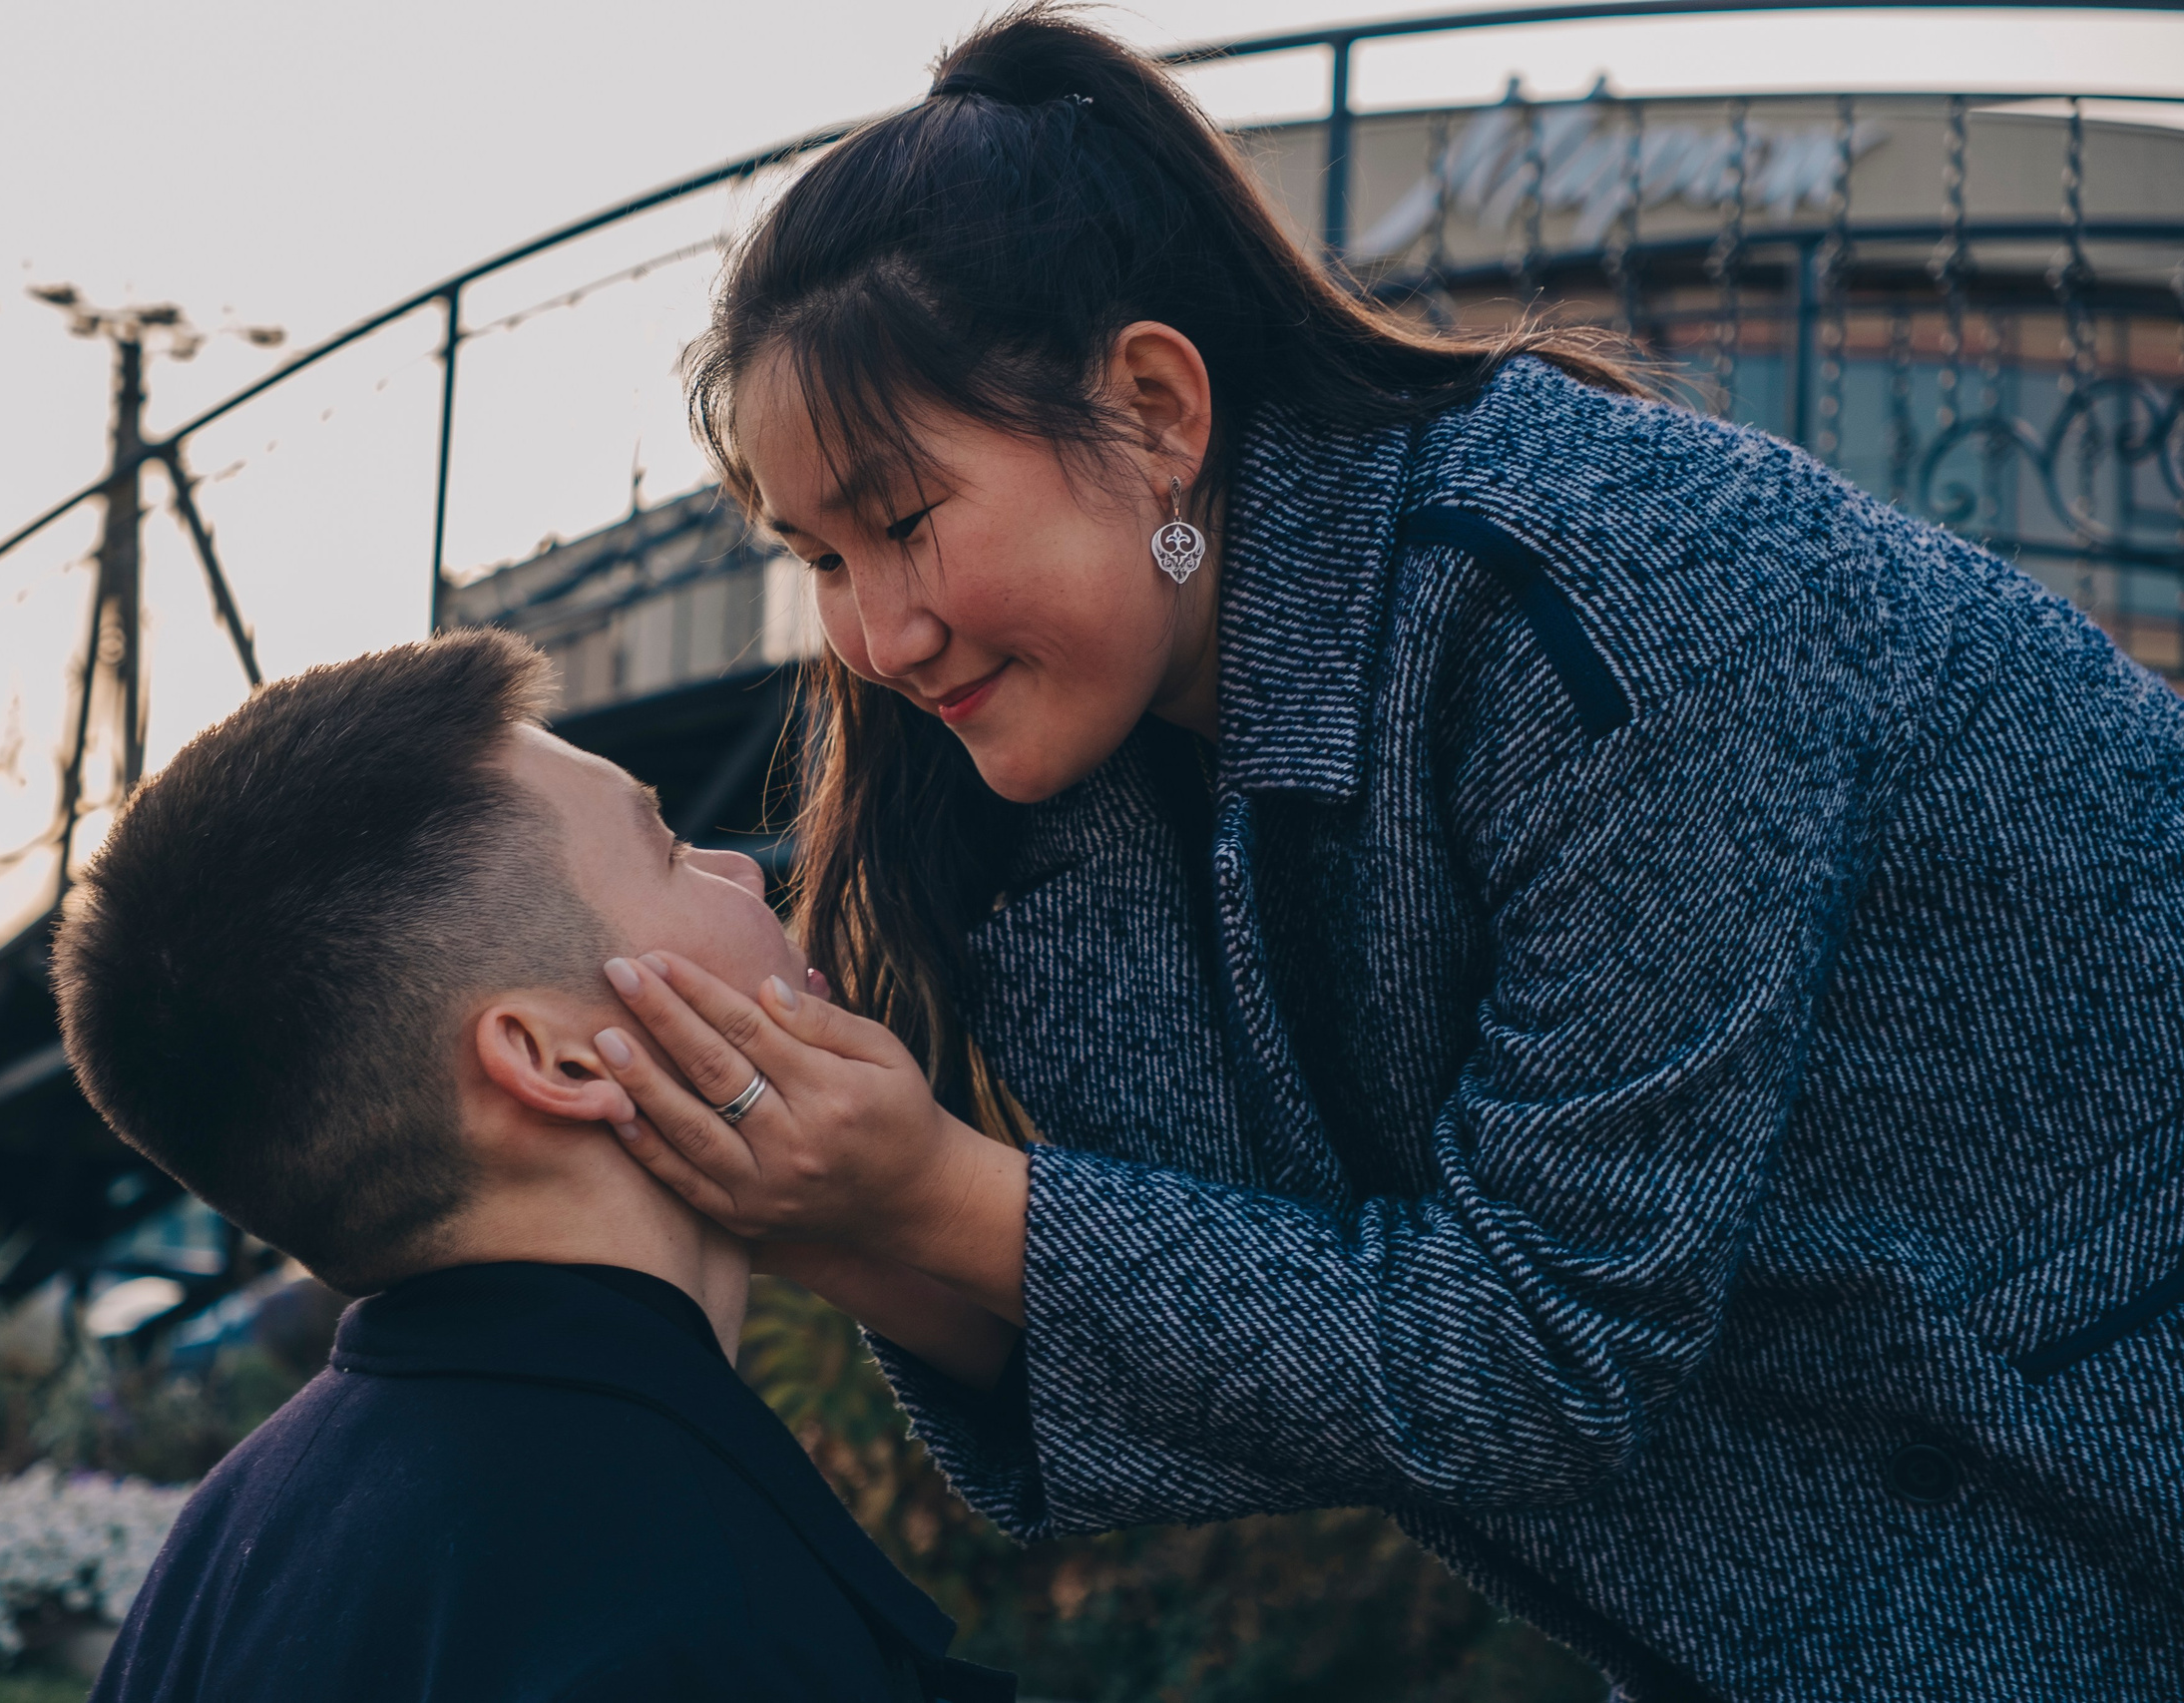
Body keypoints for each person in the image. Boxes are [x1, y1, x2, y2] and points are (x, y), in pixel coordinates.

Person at [582, 7, 2184, 1700]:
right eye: (818, 555)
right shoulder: (1076, 773)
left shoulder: (1606, 607)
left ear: (1151, 406)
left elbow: (1535, 1351)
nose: (876, 633)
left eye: (904, 521)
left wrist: (939, 1193)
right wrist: (836, 1211)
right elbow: (1284, 1359)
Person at [50, 631, 1015, 1703]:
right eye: (667, 849)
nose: (743, 867)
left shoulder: (225, 1543)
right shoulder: (681, 1605)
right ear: (549, 1058)